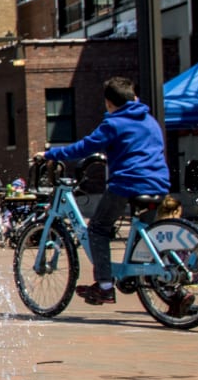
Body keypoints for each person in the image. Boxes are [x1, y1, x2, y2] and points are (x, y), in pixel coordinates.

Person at [39, 76, 169, 306]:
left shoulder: (114, 123)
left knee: (98, 229)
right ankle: (169, 292)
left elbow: (84, 147)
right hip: (158, 183)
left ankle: (105, 286)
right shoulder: (150, 120)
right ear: (134, 96)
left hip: (128, 183)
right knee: (143, 237)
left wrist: (51, 154)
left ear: (109, 103)